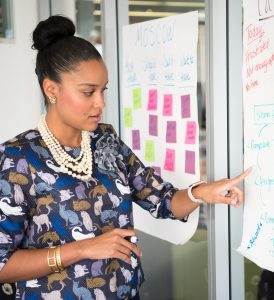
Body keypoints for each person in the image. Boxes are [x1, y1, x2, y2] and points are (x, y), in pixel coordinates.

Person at [0, 15, 251, 300]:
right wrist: (82, 248)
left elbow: (163, 201)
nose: (101, 103)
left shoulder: (105, 141)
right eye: (88, 92)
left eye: (103, 90)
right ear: (52, 90)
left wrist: (202, 193)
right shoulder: (17, 159)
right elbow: (2, 263)